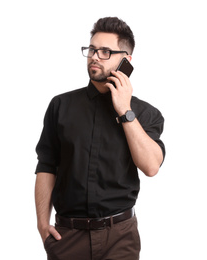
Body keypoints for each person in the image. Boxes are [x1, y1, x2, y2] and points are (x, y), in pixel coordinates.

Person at [35, 17, 165, 260]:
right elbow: (46, 166)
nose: (95, 56)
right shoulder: (60, 106)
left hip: (120, 238)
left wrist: (125, 111)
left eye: (106, 51)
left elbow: (150, 166)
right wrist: (43, 225)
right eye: (92, 49)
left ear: (126, 60)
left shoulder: (145, 114)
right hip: (67, 238)